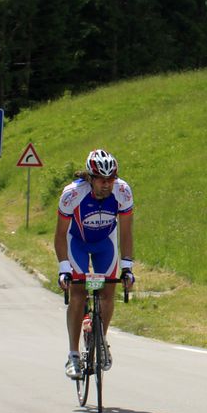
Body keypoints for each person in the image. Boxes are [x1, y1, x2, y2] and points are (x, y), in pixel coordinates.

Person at [55, 149, 136, 379]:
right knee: (79, 292)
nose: (106, 184)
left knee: (108, 292)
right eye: (101, 179)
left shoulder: (123, 191)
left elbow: (127, 232)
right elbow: (60, 235)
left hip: (105, 243)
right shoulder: (72, 194)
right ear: (90, 178)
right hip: (77, 242)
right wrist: (64, 270)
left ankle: (101, 339)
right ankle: (73, 355)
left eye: (111, 179)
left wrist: (127, 267)